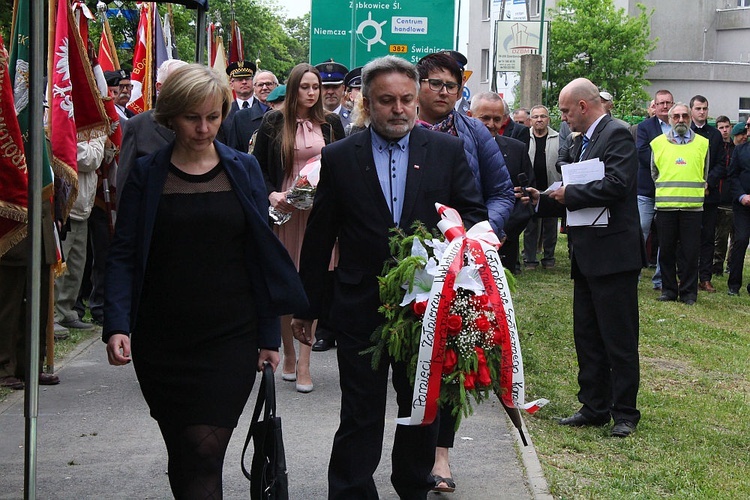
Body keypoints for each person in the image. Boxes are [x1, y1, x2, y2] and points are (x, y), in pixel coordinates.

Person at [103, 64, 307, 498]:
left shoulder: (244, 168)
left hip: (230, 335)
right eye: (192, 117)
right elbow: (124, 252)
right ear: (171, 116)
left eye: (213, 117)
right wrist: (117, 323)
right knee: (183, 451)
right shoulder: (146, 173)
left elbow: (261, 253)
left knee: (204, 451)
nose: (203, 127)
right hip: (162, 337)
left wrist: (270, 334)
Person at [291, 55, 487, 499]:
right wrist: (307, 306)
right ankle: (351, 490)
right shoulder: (339, 157)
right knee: (360, 409)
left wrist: (461, 274)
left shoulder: (445, 152)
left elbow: (471, 218)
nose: (398, 109)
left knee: (420, 406)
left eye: (405, 99)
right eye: (386, 101)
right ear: (366, 102)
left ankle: (412, 485)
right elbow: (320, 238)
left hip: (428, 308)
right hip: (360, 305)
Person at [521, 78, 646, 438]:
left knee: (618, 337)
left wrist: (568, 194)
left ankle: (624, 412)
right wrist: (541, 198)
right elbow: (571, 189)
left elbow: (618, 184)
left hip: (614, 254)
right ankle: (594, 406)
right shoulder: (583, 141)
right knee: (587, 335)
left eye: (563, 110)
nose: (561, 118)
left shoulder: (617, 134)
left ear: (582, 106)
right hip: (587, 251)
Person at [415, 52, 514, 493]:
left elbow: (501, 192)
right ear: (417, 85)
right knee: (406, 362)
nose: (442, 92)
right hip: (405, 257)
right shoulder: (394, 123)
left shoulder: (473, 131)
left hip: (460, 260)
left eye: (450, 86)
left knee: (450, 356)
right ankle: (404, 452)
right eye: (434, 83)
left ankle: (441, 456)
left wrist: (479, 235)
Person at [252, 63, 346, 391]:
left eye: (315, 87)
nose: (311, 93)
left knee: (313, 283)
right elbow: (258, 169)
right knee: (286, 283)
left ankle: (305, 363)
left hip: (319, 212)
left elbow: (341, 166)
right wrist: (273, 194)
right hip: (286, 210)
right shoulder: (273, 122)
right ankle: (288, 354)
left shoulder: (332, 124)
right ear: (293, 89)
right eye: (305, 87)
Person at [468, 92, 534, 274]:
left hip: (504, 242)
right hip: (462, 240)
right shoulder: (454, 148)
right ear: (469, 116)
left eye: (497, 119)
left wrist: (503, 231)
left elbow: (526, 196)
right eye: (485, 118)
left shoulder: (516, 149)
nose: (491, 125)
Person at [651, 103, 709, 305]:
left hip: (692, 208)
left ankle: (688, 293)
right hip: (666, 207)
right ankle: (668, 290)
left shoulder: (703, 144)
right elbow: (654, 173)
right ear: (669, 118)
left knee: (691, 253)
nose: (681, 119)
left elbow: (704, 172)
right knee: (665, 251)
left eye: (685, 115)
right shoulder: (657, 143)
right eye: (676, 116)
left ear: (691, 118)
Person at [54, 137, 108, 330]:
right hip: (68, 205)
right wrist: (100, 141)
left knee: (77, 265)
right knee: (60, 265)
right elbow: (87, 159)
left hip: (84, 206)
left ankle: (66, 310)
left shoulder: (90, 130)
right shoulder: (66, 123)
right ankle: (52, 315)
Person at [116, 59, 188, 202]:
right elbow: (126, 185)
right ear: (159, 87)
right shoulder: (138, 126)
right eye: (178, 82)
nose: (184, 88)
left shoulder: (205, 124)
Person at [636, 89, 675, 291]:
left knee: (666, 237)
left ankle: (661, 280)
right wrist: (669, 166)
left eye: (668, 103)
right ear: (655, 105)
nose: (665, 106)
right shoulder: (644, 127)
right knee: (639, 231)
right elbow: (643, 154)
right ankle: (633, 275)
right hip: (646, 190)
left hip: (671, 192)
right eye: (661, 103)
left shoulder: (680, 127)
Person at [689, 95, 724, 293]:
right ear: (691, 110)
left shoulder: (715, 134)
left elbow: (721, 163)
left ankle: (705, 277)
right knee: (688, 237)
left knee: (708, 237)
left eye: (705, 108)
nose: (702, 112)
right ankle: (687, 275)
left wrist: (708, 181)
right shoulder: (686, 133)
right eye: (698, 108)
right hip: (688, 193)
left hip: (709, 195)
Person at [523, 105, 561, 270]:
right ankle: (530, 259)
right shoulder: (524, 137)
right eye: (536, 117)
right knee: (531, 225)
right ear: (530, 120)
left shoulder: (559, 138)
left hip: (551, 187)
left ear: (548, 119)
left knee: (550, 225)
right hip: (531, 187)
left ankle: (549, 258)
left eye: (543, 116)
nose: (539, 120)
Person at [226, 71, 278, 153]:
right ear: (254, 88)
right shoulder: (241, 117)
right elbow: (234, 152)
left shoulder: (286, 114)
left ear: (276, 86)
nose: (264, 88)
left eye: (269, 84)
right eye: (260, 85)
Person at [726, 124, 750, 296]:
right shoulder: (740, 150)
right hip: (743, 205)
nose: (747, 128)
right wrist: (742, 195)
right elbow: (732, 175)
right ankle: (734, 284)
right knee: (740, 240)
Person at [712, 116, 737, 277]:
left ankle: (730, 265)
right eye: (721, 127)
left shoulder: (736, 149)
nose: (725, 130)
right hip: (717, 196)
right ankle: (716, 265)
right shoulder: (715, 148)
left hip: (732, 197)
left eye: (727, 127)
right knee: (718, 237)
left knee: (734, 236)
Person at [314, 59, 350, 128]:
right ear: (318, 89)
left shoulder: (354, 121)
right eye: (326, 87)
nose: (330, 92)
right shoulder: (309, 121)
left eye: (335, 87)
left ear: (343, 88)